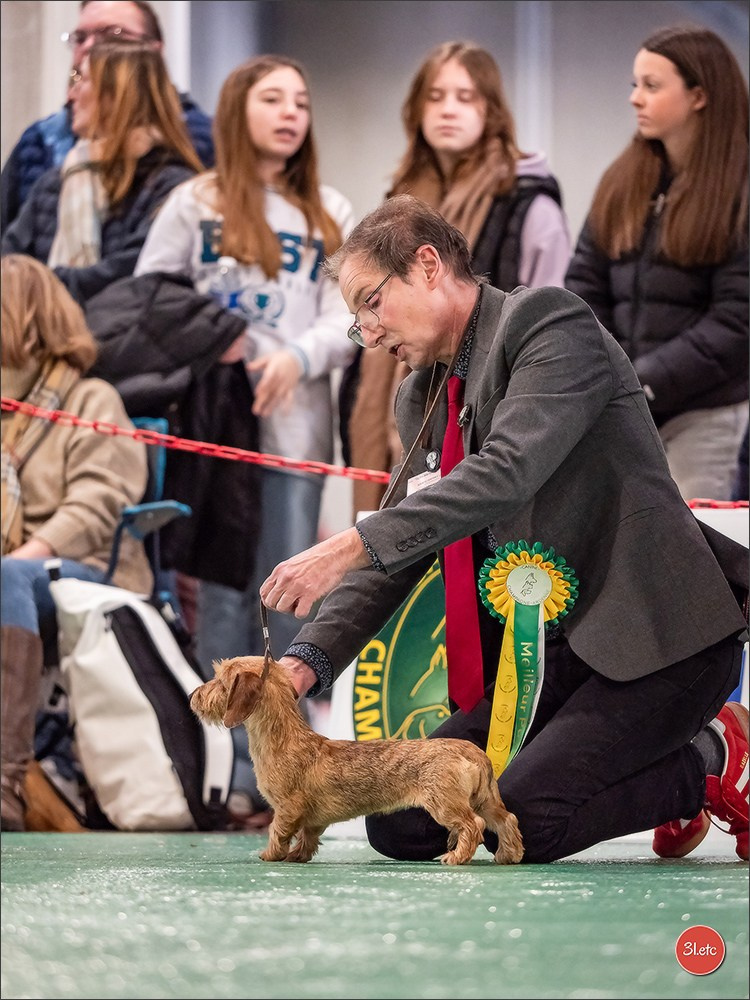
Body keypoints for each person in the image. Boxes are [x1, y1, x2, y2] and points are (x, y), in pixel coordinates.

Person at [260, 194, 749, 865]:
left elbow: (506, 471)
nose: (368, 332)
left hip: (662, 638)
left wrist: (348, 542)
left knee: (522, 822)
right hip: (557, 655)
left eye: (371, 302)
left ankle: (714, 758)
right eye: (356, 320)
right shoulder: (420, 395)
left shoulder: (548, 324)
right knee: (402, 820)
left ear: (428, 266)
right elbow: (402, 552)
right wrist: (302, 665)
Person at [134, 54, 356, 821]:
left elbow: (350, 314)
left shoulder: (328, 209)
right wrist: (223, 339)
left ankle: (285, 779)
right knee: (220, 600)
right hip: (211, 437)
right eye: (272, 98)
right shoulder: (193, 203)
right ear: (238, 110)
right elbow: (152, 298)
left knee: (287, 598)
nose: (291, 112)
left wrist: (298, 356)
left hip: (293, 437)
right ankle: (215, 773)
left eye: (301, 99)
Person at [342, 40, 571, 516]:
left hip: (491, 412)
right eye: (436, 95)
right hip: (407, 406)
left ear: (492, 110)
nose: (449, 110)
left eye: (466, 97)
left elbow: (548, 318)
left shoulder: (528, 201)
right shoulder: (398, 201)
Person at [1, 253, 153, 831]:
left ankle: (5, 784)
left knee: (8, 578)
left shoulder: (92, 400)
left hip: (84, 570)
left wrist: (20, 558)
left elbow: (97, 507)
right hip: (14, 577)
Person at [565, 24, 748, 503]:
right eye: (634, 84)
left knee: (698, 559)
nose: (634, 98)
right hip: (621, 410)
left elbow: (737, 318)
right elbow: (583, 288)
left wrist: (644, 380)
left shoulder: (739, 190)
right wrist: (615, 374)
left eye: (651, 85)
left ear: (699, 96)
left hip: (703, 417)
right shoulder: (622, 181)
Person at [1, 38, 203, 306]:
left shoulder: (172, 186)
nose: (71, 95)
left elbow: (130, 279)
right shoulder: (56, 181)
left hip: (121, 342)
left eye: (80, 80)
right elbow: (8, 265)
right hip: (42, 343)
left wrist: (39, 288)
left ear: (116, 95)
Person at [0, 0, 213, 235]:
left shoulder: (201, 143)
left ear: (154, 50)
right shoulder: (39, 141)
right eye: (80, 37)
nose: (90, 46)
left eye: (114, 34)